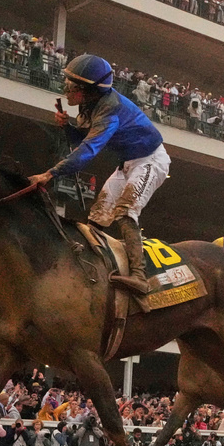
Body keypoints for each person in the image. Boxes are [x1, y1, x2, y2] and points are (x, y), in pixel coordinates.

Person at [28, 53, 169, 306]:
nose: (66, 90)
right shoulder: (89, 106)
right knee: (97, 217)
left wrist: (49, 174)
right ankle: (92, 267)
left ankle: (139, 276)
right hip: (127, 163)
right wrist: (67, 127)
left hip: (151, 160)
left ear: (88, 91)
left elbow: (86, 153)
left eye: (72, 87)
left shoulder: (109, 110)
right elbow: (80, 142)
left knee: (125, 212)